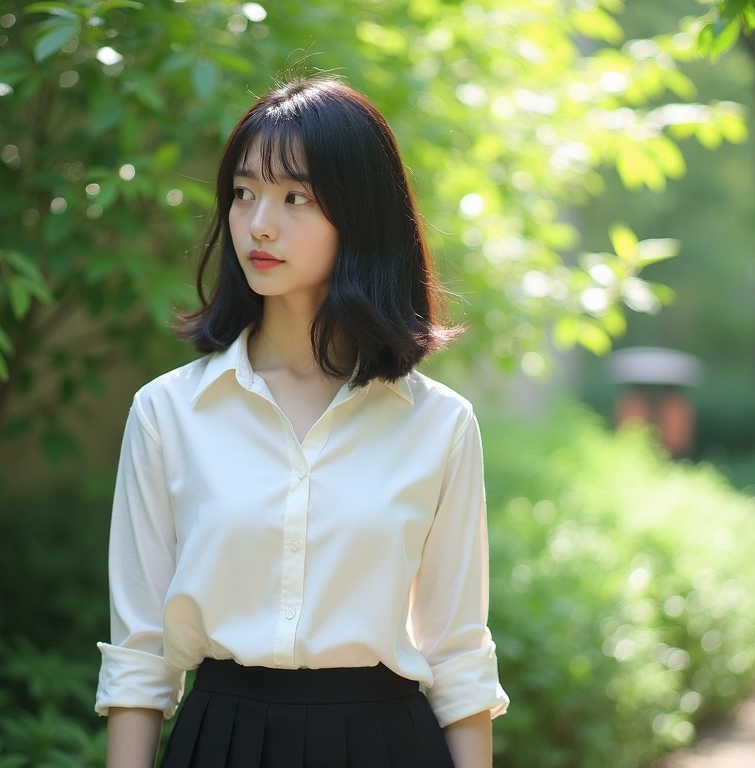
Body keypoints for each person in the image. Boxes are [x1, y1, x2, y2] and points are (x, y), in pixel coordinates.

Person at [95, 77, 509, 768]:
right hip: (220, 744)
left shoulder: (439, 425)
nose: (259, 223)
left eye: (296, 198)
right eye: (244, 192)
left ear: (360, 217)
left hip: (387, 745)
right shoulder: (168, 413)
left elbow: (459, 655)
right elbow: (140, 657)